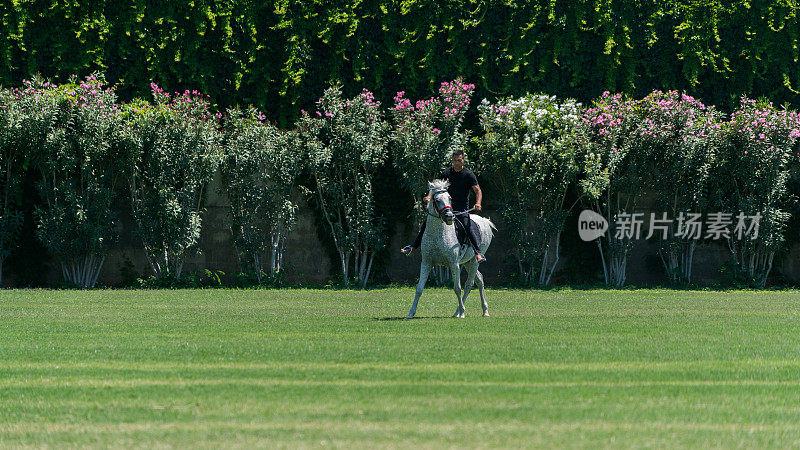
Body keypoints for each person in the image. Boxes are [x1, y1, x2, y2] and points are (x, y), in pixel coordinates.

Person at [401, 149, 486, 263]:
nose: (457, 162)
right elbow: (435, 187)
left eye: (459, 160)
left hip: (461, 209)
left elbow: (478, 190)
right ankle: (413, 247)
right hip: (444, 208)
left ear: (463, 160)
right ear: (452, 160)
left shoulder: (469, 175)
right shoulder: (446, 173)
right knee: (427, 224)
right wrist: (429, 196)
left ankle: (478, 253)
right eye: (455, 160)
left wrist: (478, 202)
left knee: (467, 226)